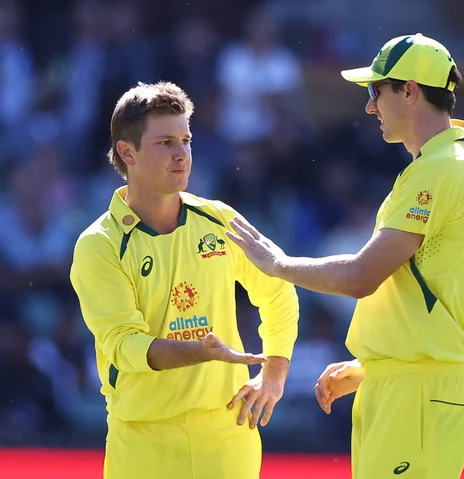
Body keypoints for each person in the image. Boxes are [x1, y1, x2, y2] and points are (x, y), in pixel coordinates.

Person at [226, 33, 464, 479]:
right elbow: (429, 289)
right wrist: (375, 367)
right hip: (412, 384)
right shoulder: (454, 161)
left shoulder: (439, 169)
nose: (369, 107)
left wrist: (278, 264)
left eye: (376, 91)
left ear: (409, 90)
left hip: (418, 393)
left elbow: (361, 276)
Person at [70, 81, 299, 479]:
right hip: (143, 442)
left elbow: (278, 288)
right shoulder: (99, 245)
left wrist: (275, 371)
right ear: (128, 152)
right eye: (165, 143)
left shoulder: (220, 220)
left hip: (230, 434)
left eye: (186, 139)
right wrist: (200, 351)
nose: (182, 155)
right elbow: (125, 347)